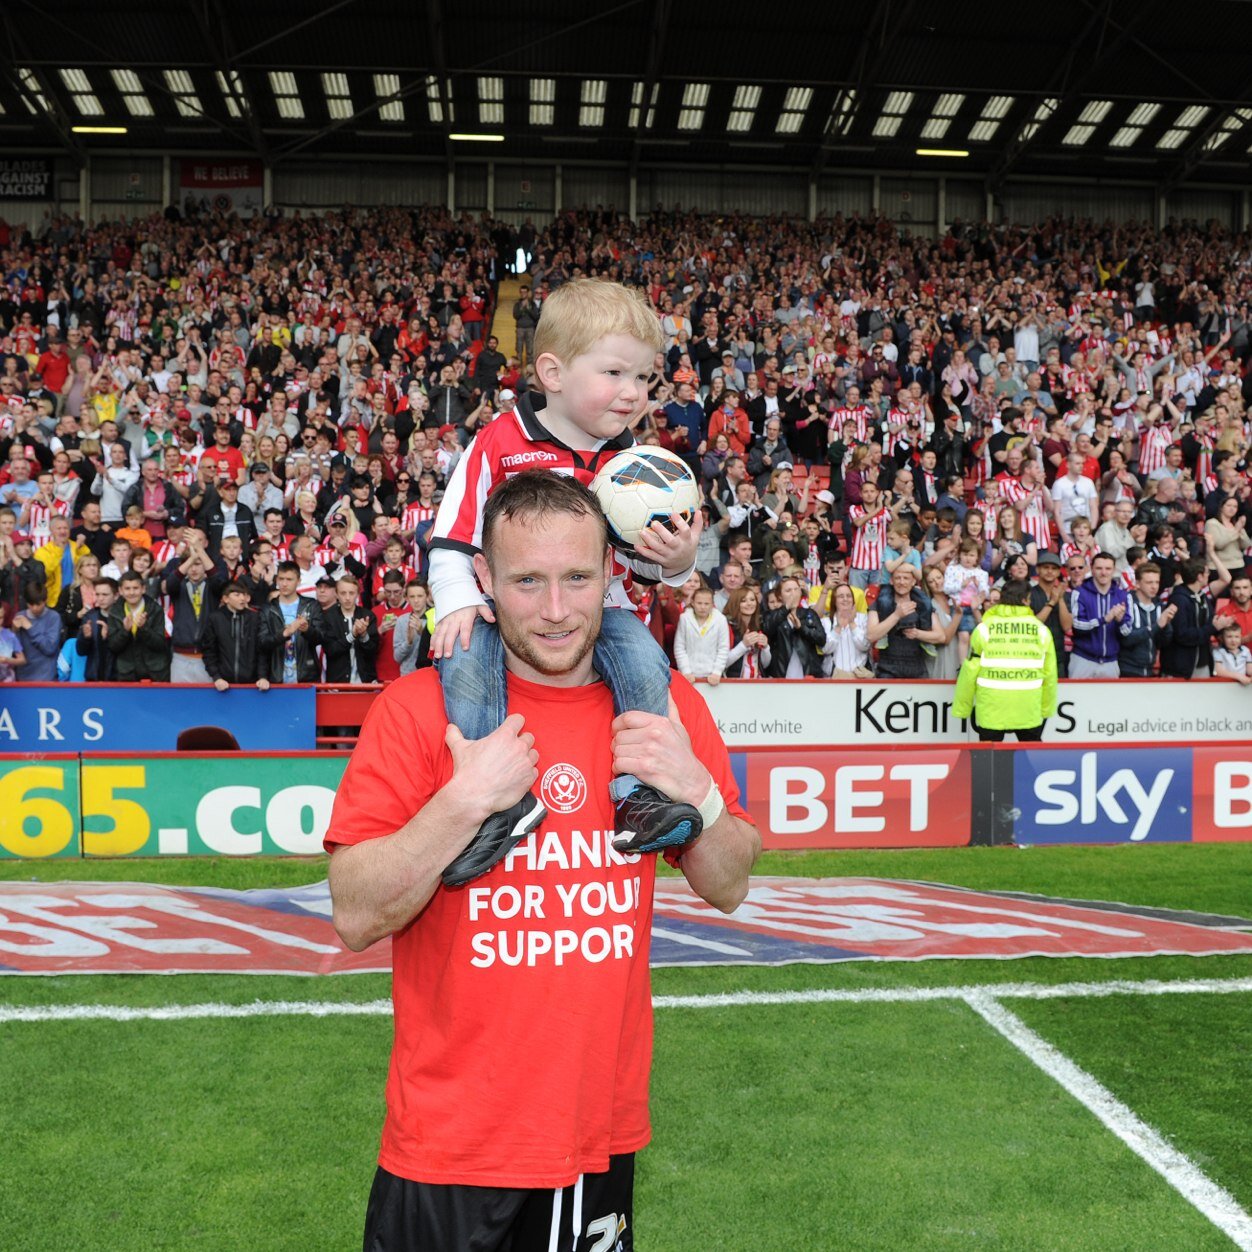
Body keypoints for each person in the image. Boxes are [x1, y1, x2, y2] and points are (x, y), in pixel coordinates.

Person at [325, 472, 758, 1250]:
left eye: (577, 579)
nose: (555, 611)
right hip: (447, 1147)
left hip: (597, 1137)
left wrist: (701, 794)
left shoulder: (660, 708)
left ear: (609, 577)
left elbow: (729, 884)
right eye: (527, 581)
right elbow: (356, 914)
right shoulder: (417, 710)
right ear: (484, 578)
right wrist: (463, 802)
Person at [427, 280, 703, 883]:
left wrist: (678, 559)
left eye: (643, 379)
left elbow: (644, 566)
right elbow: (451, 538)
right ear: (551, 371)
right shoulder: (498, 442)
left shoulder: (637, 465)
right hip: (502, 611)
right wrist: (456, 604)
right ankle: (493, 805)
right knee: (464, 661)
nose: (633, 394)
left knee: (646, 665)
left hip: (604, 612)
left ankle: (639, 797)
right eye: (614, 374)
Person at [952, 579, 1058, 741]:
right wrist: (1046, 709)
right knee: (1030, 762)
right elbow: (1050, 675)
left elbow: (969, 671)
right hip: (1028, 706)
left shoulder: (984, 629)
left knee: (988, 763)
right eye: (1029, 600)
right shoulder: (1040, 630)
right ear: (1024, 600)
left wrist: (963, 708)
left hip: (991, 707)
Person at [869, 564, 943, 678]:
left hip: (917, 670)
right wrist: (896, 615)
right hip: (887, 670)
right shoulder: (879, 603)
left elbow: (940, 636)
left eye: (906, 578)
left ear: (913, 582)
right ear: (891, 581)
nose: (902, 582)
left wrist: (918, 634)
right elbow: (871, 635)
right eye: (898, 578)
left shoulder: (923, 604)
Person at [260, 560, 324, 685]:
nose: (284, 584)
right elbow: (262, 643)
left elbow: (322, 638)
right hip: (276, 677)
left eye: (289, 579)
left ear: (299, 581)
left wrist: (307, 630)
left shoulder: (311, 605)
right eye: (281, 579)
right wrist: (285, 633)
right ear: (276, 580)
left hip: (306, 676)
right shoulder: (268, 609)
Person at [1068, 552, 1130, 678]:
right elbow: (1077, 626)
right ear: (1091, 569)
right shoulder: (1080, 593)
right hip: (1083, 659)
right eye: (1099, 568)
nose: (1104, 572)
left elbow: (1127, 631)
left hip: (1110, 661)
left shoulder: (1123, 595)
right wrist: (1104, 619)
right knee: (1077, 697)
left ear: (1114, 570)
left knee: (1111, 698)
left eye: (1108, 569)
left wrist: (1120, 620)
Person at [201, 582, 270, 692]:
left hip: (253, 684)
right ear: (226, 599)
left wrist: (262, 677)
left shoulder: (255, 618)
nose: (242, 598)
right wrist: (216, 677)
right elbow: (209, 652)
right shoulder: (215, 618)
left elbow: (261, 651)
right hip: (222, 684)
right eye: (237, 595)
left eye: (244, 594)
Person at [106, 571, 171, 681]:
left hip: (155, 672)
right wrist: (125, 631)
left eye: (135, 588)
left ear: (143, 589)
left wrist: (144, 628)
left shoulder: (155, 610)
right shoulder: (114, 612)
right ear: (120, 591)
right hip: (127, 673)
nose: (132, 592)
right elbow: (113, 646)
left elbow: (160, 644)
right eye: (127, 588)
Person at [1118, 562, 1176, 677]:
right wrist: (1157, 626)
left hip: (1150, 670)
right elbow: (1126, 639)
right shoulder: (1127, 604)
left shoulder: (1159, 605)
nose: (1154, 586)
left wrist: (1167, 624)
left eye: (1157, 582)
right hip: (1127, 670)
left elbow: (1163, 642)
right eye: (1149, 582)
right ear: (1138, 584)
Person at [762, 574, 826, 677]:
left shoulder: (809, 613)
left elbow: (822, 639)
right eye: (788, 591)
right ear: (779, 596)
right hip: (781, 673)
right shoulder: (772, 615)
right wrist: (786, 608)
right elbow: (767, 629)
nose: (793, 594)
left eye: (796, 589)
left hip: (808, 673)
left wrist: (801, 628)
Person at [321, 575, 380, 683]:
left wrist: (363, 635)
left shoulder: (368, 615)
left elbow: (373, 650)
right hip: (338, 682)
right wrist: (352, 635)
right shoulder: (328, 617)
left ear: (357, 594)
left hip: (365, 681)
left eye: (351, 593)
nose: (347, 598)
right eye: (343, 593)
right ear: (336, 594)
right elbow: (330, 650)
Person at [673, 584, 730, 684]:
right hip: (688, 676)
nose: (703, 607)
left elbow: (723, 648)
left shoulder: (721, 620)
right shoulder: (684, 618)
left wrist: (717, 672)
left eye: (706, 603)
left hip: (713, 677)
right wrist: (686, 671)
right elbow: (679, 647)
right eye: (699, 603)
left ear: (712, 604)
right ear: (692, 602)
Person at [12, 581, 61, 681]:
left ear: (45, 600)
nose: (35, 608)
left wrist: (30, 627)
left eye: (38, 604)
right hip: (23, 677)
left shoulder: (53, 617)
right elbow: (15, 651)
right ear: (26, 603)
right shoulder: (19, 617)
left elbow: (50, 648)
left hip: (47, 678)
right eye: (31, 604)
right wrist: (14, 632)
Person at [392, 580, 433, 677]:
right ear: (406, 598)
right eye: (412, 596)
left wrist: (423, 633)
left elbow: (438, 652)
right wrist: (408, 642)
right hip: (407, 676)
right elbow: (397, 657)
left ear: (427, 596)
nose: (416, 600)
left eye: (420, 596)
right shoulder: (402, 621)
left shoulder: (434, 618)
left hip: (429, 675)